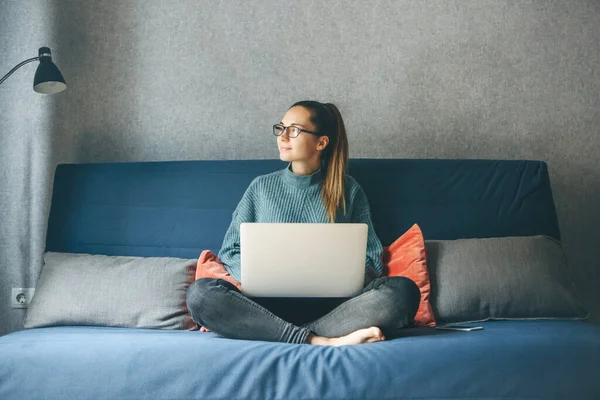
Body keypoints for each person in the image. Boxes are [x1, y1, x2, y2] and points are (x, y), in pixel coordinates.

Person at [186, 101, 420, 346]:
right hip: (265, 306)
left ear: (321, 142)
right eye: (281, 128)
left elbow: (371, 257)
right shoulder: (260, 188)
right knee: (200, 295)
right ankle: (320, 340)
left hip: (334, 309)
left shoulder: (349, 190)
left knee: (403, 292)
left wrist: (340, 278)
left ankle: (289, 334)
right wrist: (264, 277)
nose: (283, 136)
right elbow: (231, 250)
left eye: (294, 130)